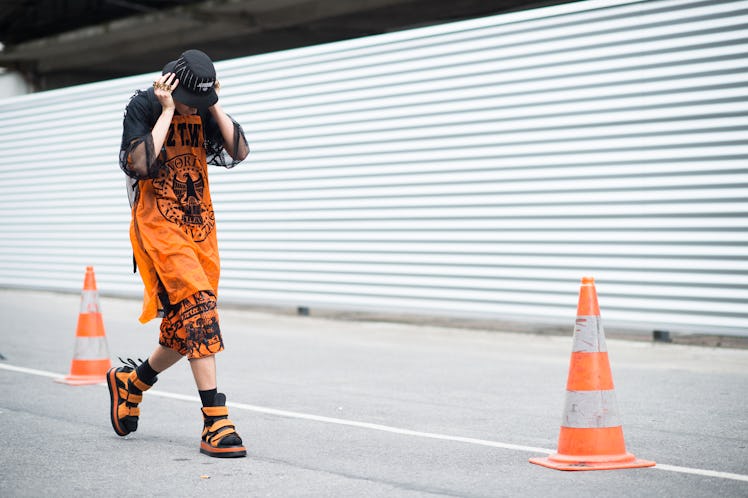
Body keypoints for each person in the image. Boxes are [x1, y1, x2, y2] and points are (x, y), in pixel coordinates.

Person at [108, 49, 250, 458]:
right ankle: (216, 421)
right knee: (201, 310)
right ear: (170, 85)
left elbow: (238, 152)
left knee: (185, 324)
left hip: (200, 228)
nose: (194, 107)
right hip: (159, 228)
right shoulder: (144, 105)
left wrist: (213, 104)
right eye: (190, 97)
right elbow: (140, 164)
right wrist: (168, 110)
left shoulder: (205, 109)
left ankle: (132, 383)